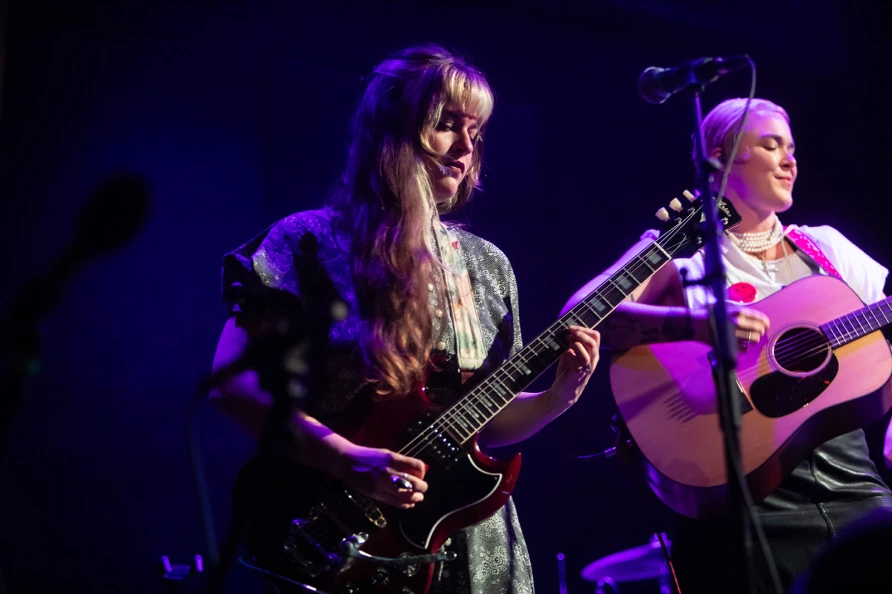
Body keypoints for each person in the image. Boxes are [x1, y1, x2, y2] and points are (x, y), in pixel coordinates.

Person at [210, 43, 600, 594]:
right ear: (392, 130)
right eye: (447, 125)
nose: (467, 147)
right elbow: (235, 385)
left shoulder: (488, 266)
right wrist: (346, 459)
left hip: (474, 547)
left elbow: (478, 420)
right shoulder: (307, 243)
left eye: (477, 133)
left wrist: (557, 399)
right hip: (338, 539)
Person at [562, 97, 892, 593]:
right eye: (770, 144)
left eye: (792, 147)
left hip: (855, 491)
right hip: (740, 507)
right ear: (720, 156)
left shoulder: (826, 246)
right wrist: (694, 325)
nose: (790, 159)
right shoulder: (680, 253)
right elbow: (581, 317)